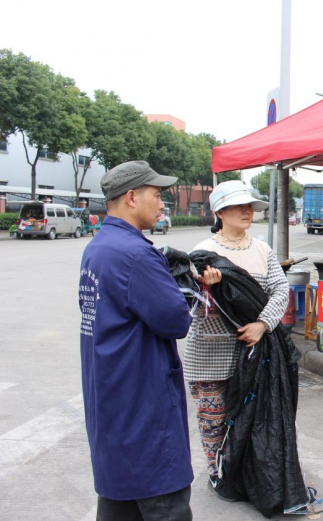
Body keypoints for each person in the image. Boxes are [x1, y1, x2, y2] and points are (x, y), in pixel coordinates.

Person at [78, 160, 193, 520]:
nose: (163, 204)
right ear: (131, 197)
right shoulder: (134, 254)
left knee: (119, 503)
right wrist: (183, 288)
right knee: (164, 505)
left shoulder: (98, 249)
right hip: (145, 413)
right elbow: (175, 320)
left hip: (112, 408)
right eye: (157, 195)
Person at [184, 180, 290, 502]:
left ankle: (245, 473)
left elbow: (280, 290)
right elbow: (187, 305)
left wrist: (262, 323)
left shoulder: (262, 250)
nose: (247, 212)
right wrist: (205, 289)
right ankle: (220, 476)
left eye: (250, 206)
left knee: (251, 417)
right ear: (220, 212)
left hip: (253, 351)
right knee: (214, 419)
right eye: (238, 206)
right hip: (210, 354)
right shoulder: (202, 254)